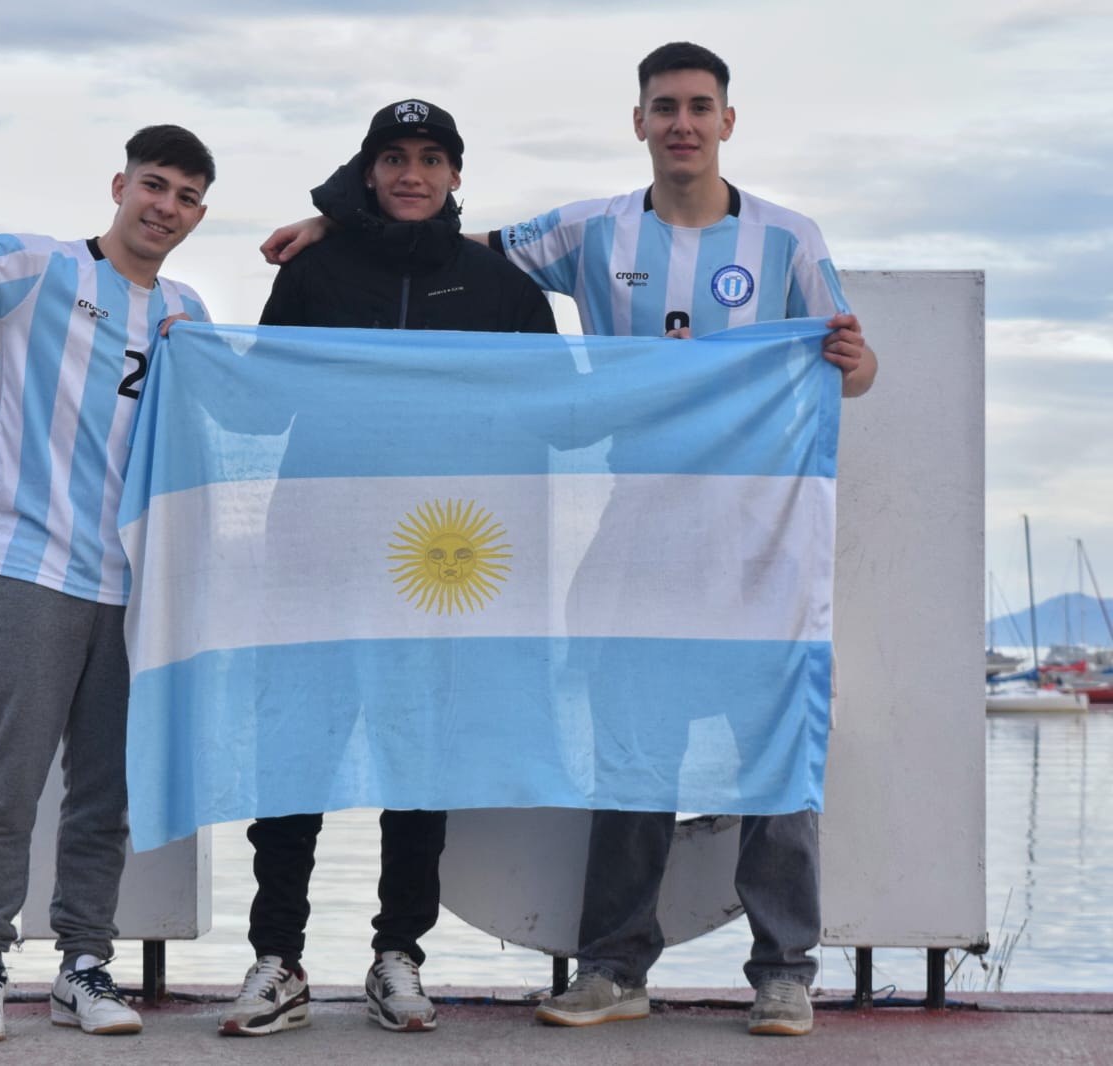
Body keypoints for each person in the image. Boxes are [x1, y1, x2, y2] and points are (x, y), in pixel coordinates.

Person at [262, 43, 877, 1038]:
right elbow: (442, 232)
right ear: (639, 122)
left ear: (727, 120)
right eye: (664, 107)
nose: (682, 123)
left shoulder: (789, 238)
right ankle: (614, 967)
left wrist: (855, 357)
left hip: (756, 541)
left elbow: (851, 366)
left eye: (699, 107)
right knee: (631, 752)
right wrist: (335, 221)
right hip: (635, 533)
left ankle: (782, 970)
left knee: (771, 747)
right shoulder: (589, 231)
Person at [0, 102, 214, 1042]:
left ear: (197, 215)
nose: (166, 206)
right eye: (154, 185)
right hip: (31, 570)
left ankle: (83, 967)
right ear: (120, 186)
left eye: (187, 197)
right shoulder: (39, 269)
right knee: (9, 784)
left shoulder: (188, 313)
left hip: (135, 591)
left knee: (105, 794)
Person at [217, 99, 557, 1039]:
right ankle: (276, 959)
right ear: (368, 172)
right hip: (314, 555)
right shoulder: (313, 272)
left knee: (419, 765)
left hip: (439, 566)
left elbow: (556, 417)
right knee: (294, 758)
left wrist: (671, 372)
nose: (413, 174)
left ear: (456, 177)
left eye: (431, 159)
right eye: (395, 158)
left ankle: (398, 955)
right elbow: (258, 409)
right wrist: (198, 362)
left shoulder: (501, 289)